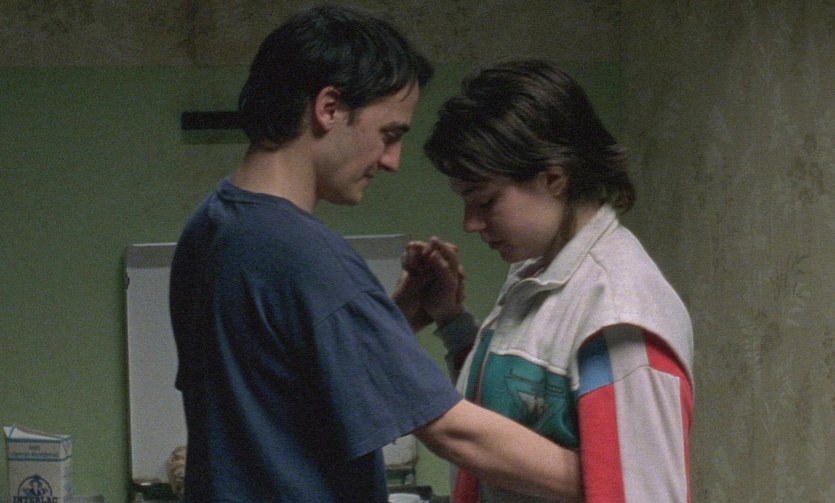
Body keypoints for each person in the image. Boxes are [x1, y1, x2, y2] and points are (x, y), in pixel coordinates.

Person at [168, 6, 582, 503]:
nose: (391, 161)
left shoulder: (210, 227)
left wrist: (397, 314)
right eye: (389, 134)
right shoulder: (306, 255)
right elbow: (452, 430)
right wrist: (615, 476)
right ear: (328, 108)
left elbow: (283, 379)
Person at [400, 58, 695, 502]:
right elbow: (515, 412)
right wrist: (451, 321)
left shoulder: (618, 316)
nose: (470, 224)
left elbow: (643, 491)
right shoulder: (541, 270)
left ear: (554, 178)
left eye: (486, 201)